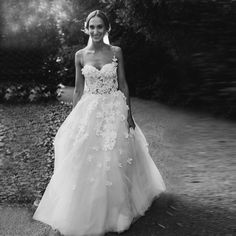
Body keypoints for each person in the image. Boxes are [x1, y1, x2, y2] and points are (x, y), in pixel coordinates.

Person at [32, 10, 166, 236]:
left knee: (116, 157)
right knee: (87, 158)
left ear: (107, 29)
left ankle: (118, 210)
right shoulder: (80, 55)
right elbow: (78, 90)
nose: (95, 31)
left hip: (114, 108)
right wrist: (73, 120)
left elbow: (123, 84)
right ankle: (87, 208)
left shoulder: (116, 52)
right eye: (91, 27)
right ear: (86, 28)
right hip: (90, 108)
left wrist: (129, 115)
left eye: (99, 27)